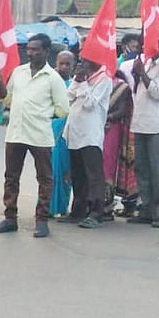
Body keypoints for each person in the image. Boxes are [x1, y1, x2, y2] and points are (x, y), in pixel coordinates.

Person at [0, 33, 70, 237]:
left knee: (44, 178)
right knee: (11, 177)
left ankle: (42, 220)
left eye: (36, 50)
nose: (31, 53)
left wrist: (42, 115)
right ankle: (10, 218)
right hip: (15, 132)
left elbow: (62, 110)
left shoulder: (53, 78)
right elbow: (7, 100)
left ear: (46, 52)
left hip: (40, 134)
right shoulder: (18, 72)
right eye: (29, 49)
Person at [127, 37, 159, 228]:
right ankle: (146, 208)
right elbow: (137, 91)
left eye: (147, 44)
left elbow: (157, 93)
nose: (144, 48)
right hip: (141, 123)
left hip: (158, 125)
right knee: (142, 169)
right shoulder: (147, 63)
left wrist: (143, 75)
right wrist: (138, 75)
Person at [64, 59, 112, 229]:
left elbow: (90, 104)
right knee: (78, 175)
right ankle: (78, 210)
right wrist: (77, 80)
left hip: (90, 135)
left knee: (93, 176)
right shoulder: (83, 78)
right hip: (75, 133)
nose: (82, 62)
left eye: (85, 60)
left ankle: (96, 212)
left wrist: (83, 82)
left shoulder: (104, 79)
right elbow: (67, 98)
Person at [102, 70, 138, 215]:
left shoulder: (121, 86)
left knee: (107, 166)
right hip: (92, 127)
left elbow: (123, 110)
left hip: (111, 128)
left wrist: (106, 116)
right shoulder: (93, 80)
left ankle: (106, 204)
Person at [50, 50, 74, 216]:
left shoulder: (75, 83)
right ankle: (47, 207)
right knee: (50, 170)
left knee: (66, 170)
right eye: (61, 63)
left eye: (68, 64)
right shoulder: (50, 82)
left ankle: (63, 206)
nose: (64, 67)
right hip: (52, 130)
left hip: (69, 133)